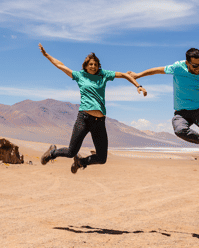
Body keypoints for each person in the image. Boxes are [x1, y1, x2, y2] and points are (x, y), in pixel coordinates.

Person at [38, 43, 147, 173]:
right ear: (86, 65)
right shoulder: (80, 76)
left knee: (102, 158)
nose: (93, 66)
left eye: (95, 64)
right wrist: (46, 55)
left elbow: (124, 75)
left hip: (99, 123)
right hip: (83, 119)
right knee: (71, 151)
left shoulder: (103, 75)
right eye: (91, 64)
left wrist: (138, 85)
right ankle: (53, 152)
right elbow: (60, 65)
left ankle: (81, 162)